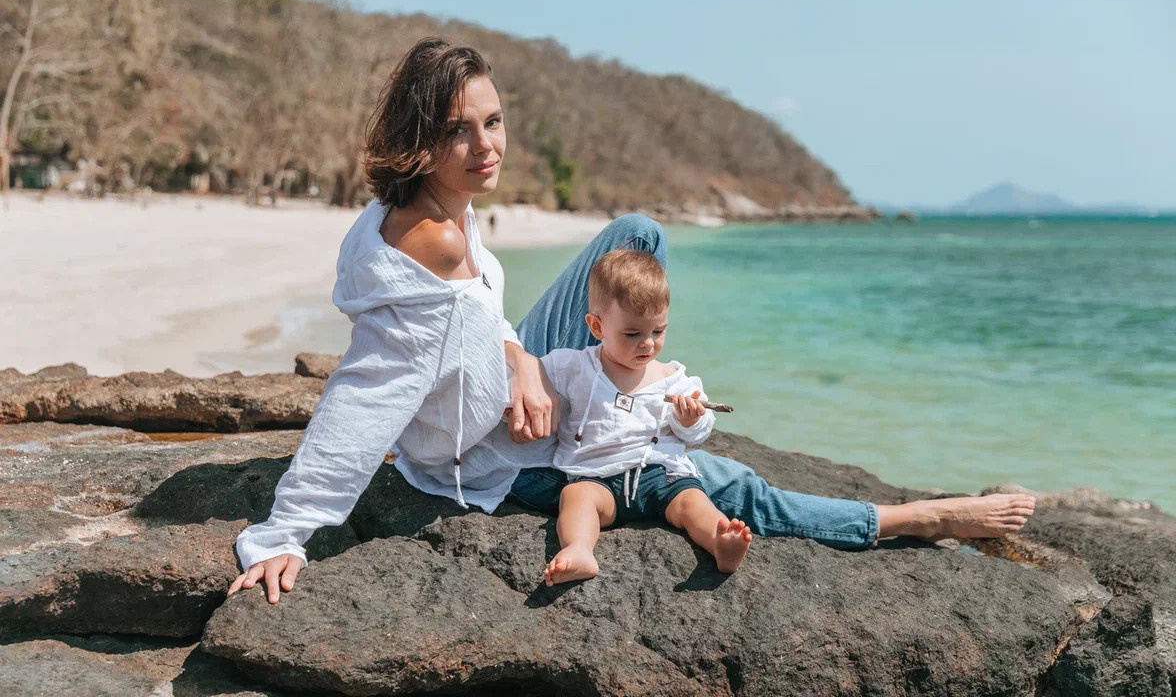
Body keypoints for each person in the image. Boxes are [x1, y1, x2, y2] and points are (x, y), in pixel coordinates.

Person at [227, 37, 1036, 605]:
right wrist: (284, 533)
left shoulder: (445, 209)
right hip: (491, 456)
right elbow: (367, 394)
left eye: (493, 121)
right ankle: (913, 519)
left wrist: (521, 359)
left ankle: (619, 381)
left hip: (520, 390)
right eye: (457, 131)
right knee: (721, 486)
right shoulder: (429, 245)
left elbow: (477, 320)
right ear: (419, 139)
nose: (485, 145)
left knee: (637, 236)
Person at [540, 249, 752, 586]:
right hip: (597, 477)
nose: (648, 344)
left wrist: (688, 420)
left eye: (658, 331)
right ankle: (580, 549)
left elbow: (698, 434)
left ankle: (719, 542)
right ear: (597, 326)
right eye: (633, 334)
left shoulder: (673, 378)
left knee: (692, 500)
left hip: (659, 476)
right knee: (575, 498)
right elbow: (532, 378)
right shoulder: (573, 366)